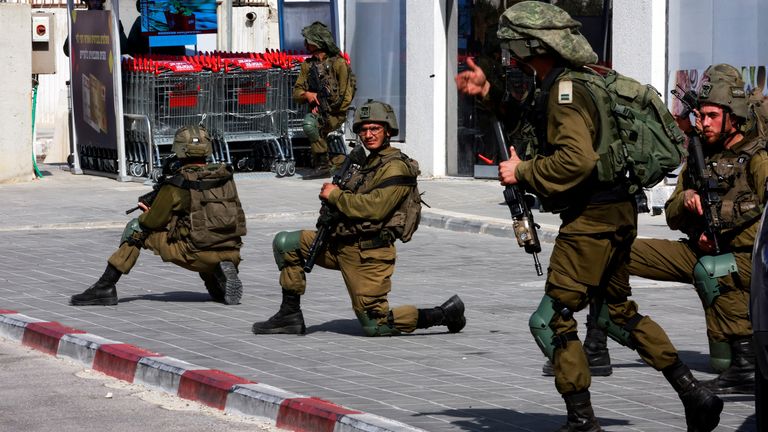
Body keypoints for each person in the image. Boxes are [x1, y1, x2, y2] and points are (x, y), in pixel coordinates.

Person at [455, 2, 722, 431]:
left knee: (550, 320)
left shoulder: (566, 91)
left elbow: (575, 160)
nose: (510, 52)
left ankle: (582, 422)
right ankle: (695, 395)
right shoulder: (576, 82)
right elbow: (533, 123)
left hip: (591, 223)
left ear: (529, 44)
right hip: (617, 214)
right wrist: (489, 94)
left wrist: (521, 171)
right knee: (616, 313)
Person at [251, 100, 465, 337]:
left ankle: (444, 314)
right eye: (363, 130)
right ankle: (289, 315)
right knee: (285, 244)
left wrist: (336, 195)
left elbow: (374, 208)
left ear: (388, 131)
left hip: (368, 254)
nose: (368, 134)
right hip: (339, 243)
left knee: (377, 325)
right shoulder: (364, 162)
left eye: (375, 129)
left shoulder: (396, 167)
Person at [628, 63, 768, 395]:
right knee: (619, 250)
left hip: (747, 261)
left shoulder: (758, 158)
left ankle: (745, 365)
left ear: (732, 117)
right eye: (700, 116)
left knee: (713, 269)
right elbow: (672, 216)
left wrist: (724, 229)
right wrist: (688, 198)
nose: (702, 124)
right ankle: (600, 335)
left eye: (711, 117)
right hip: (704, 248)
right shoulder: (699, 154)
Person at [70, 125, 246, 306]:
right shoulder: (225, 176)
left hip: (196, 254)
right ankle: (219, 282)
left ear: (179, 149)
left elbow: (153, 221)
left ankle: (105, 286)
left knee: (135, 228)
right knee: (204, 230)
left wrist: (147, 211)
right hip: (231, 252)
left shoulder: (179, 183)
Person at [292, 21, 355, 180]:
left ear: (317, 42)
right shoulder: (307, 66)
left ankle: (326, 164)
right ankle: (327, 164)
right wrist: (308, 96)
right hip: (319, 111)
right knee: (311, 123)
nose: (305, 44)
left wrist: (329, 110)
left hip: (336, 113)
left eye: (308, 40)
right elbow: (296, 92)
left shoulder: (339, 63)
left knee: (312, 124)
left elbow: (347, 94)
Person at [63, 0, 128, 57]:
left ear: (102, 1)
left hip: (107, 68)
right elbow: (67, 50)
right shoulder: (79, 21)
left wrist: (116, 30)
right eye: (92, 0)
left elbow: (124, 48)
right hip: (84, 68)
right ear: (88, 1)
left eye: (98, 0)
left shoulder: (112, 21)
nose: (95, 3)